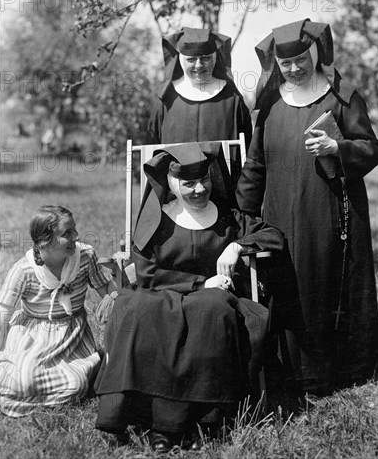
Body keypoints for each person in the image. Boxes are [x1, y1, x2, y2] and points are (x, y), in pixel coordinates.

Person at [95, 143, 284, 452]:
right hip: (163, 295)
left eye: (204, 181)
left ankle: (196, 422)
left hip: (213, 300)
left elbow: (273, 235)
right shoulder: (157, 220)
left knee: (213, 310)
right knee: (134, 307)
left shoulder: (227, 217)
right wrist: (200, 282)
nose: (199, 189)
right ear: (172, 184)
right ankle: (152, 422)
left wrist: (237, 246)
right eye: (188, 184)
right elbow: (146, 276)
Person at [236, 18, 378, 395]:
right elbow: (255, 163)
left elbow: (371, 147)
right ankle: (291, 373)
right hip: (281, 215)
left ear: (314, 53)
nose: (294, 68)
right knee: (289, 288)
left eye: (301, 59)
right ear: (276, 65)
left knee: (325, 284)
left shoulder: (342, 96)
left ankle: (337, 373)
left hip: (330, 214)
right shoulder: (268, 102)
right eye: (286, 63)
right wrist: (245, 216)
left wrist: (338, 148)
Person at [0, 205, 115, 417]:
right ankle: (20, 393)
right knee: (24, 379)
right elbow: (2, 311)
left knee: (76, 383)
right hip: (32, 335)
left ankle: (35, 399)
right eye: (66, 233)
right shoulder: (24, 269)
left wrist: (120, 297)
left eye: (75, 230)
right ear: (45, 240)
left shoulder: (85, 256)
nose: (75, 236)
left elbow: (107, 291)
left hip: (72, 335)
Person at [147, 27, 252, 149]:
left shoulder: (232, 100)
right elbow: (150, 149)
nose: (199, 65)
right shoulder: (166, 101)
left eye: (205, 58)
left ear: (215, 58)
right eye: (191, 60)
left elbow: (248, 150)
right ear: (181, 60)